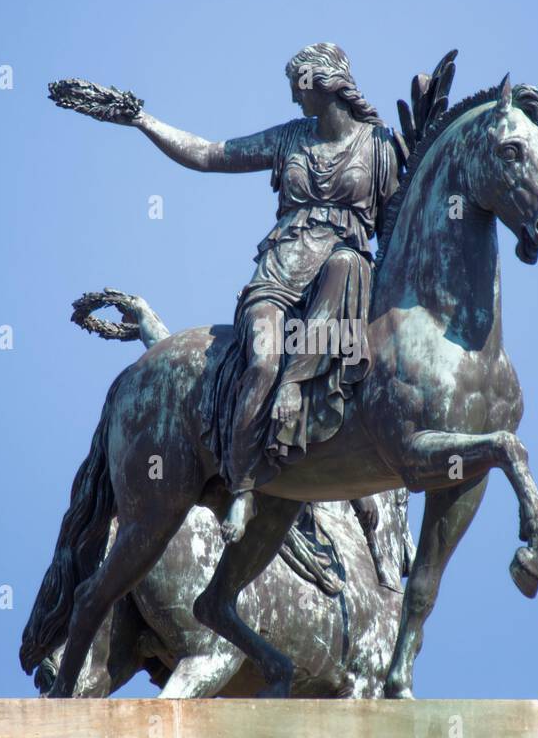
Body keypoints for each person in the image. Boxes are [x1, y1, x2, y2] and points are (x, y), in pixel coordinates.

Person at [117, 42, 398, 542]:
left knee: (345, 262)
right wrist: (143, 121)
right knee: (263, 362)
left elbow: (400, 229)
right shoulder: (289, 139)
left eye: (298, 86)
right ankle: (243, 484)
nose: (294, 99)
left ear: (323, 81)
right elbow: (210, 154)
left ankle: (309, 406)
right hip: (278, 272)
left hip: (342, 285)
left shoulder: (379, 147)